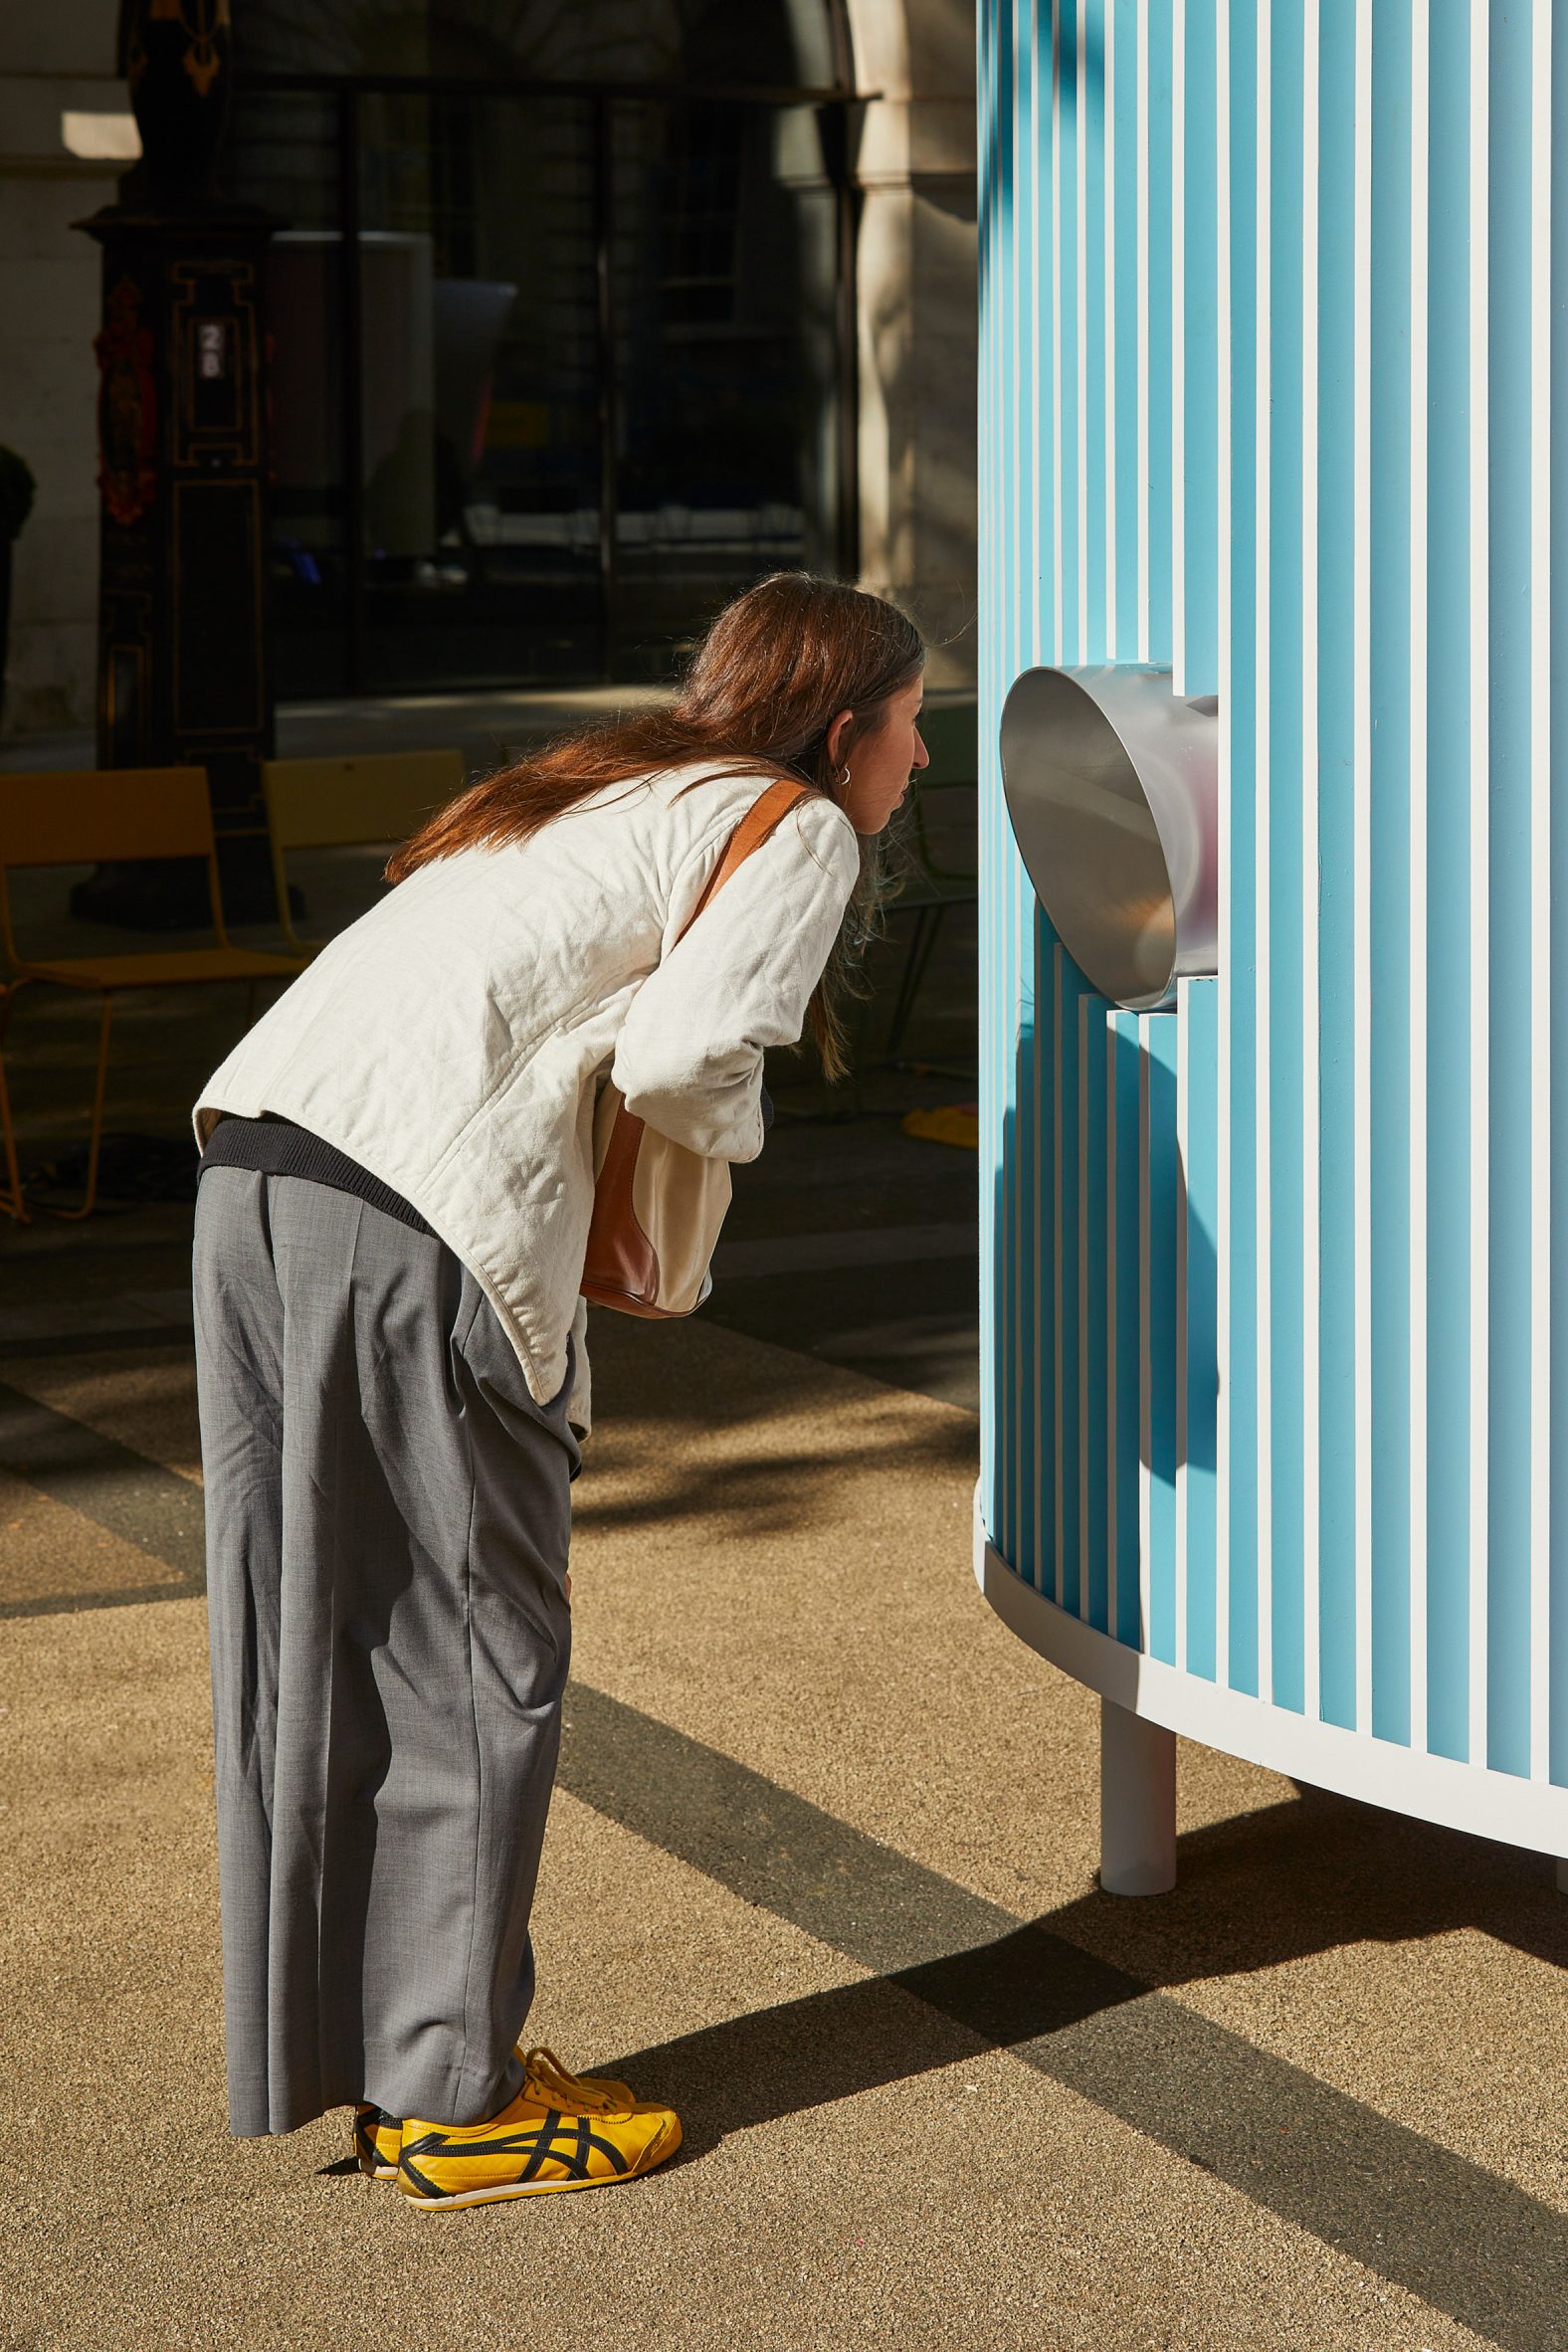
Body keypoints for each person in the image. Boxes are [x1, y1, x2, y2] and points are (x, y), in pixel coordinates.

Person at [190, 572, 929, 2213]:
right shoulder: (790, 820)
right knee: (474, 1651)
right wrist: (706, 1163)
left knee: (316, 1636)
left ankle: (392, 2067)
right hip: (418, 1216)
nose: (920, 766)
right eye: (914, 727)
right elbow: (684, 1057)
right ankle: (456, 2104)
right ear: (843, 726)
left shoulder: (595, 781)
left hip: (255, 1165)